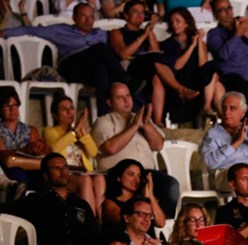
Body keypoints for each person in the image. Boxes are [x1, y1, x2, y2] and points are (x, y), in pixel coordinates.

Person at [0, 3, 129, 114]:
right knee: (101, 48)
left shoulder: (100, 32)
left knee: (101, 69)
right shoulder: (61, 30)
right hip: (72, 66)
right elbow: (32, 30)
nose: (88, 20)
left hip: (90, 71)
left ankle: (104, 114)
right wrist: (4, 33)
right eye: (84, 16)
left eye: (91, 17)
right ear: (74, 18)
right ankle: (125, 81)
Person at [92, 83, 179, 219]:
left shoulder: (142, 118)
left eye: (128, 95)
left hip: (145, 173)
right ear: (109, 102)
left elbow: (158, 145)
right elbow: (110, 148)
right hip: (118, 174)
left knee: (171, 185)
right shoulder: (103, 122)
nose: (126, 101)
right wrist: (134, 126)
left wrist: (147, 125)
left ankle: (163, 227)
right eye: (120, 97)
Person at [11, 153, 100, 245]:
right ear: (46, 175)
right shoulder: (35, 201)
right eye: (56, 168)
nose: (63, 172)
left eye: (65, 167)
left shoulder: (81, 204)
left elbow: (94, 236)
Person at [159, 7, 224, 124]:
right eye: (172, 22)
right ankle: (208, 108)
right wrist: (192, 46)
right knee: (216, 81)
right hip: (180, 82)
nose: (174, 25)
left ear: (187, 23)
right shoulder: (168, 44)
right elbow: (177, 66)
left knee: (213, 72)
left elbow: (203, 65)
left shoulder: (197, 41)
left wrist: (199, 42)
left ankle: (212, 110)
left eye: (178, 21)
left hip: (197, 81)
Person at [43, 95, 104, 220]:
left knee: (99, 178)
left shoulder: (79, 131)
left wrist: (82, 132)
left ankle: (101, 219)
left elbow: (93, 152)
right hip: (66, 172)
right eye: (64, 109)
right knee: (86, 180)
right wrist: (74, 132)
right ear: (55, 115)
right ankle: (90, 219)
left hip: (82, 171)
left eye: (71, 108)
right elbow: (54, 150)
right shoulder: (50, 131)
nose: (69, 112)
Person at [108, 0, 167, 122]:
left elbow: (156, 53)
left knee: (156, 76)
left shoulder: (146, 32)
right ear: (126, 15)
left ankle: (158, 121)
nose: (139, 15)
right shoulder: (117, 32)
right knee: (155, 67)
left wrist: (149, 30)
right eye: (135, 12)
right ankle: (179, 88)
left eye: (142, 12)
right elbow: (123, 54)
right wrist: (143, 36)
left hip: (148, 65)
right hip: (128, 65)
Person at [0, 87, 50, 190]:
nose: (12, 109)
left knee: (44, 177)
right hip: (9, 169)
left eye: (14, 105)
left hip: (30, 167)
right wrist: (24, 150)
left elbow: (35, 154)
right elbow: (1, 154)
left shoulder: (30, 130)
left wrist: (38, 148)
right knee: (18, 174)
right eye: (6, 106)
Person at [102, 158, 167, 229]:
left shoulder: (144, 199)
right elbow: (125, 222)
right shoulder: (110, 202)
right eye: (131, 174)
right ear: (119, 177)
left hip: (149, 239)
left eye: (139, 176)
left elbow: (161, 223)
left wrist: (150, 195)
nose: (136, 179)